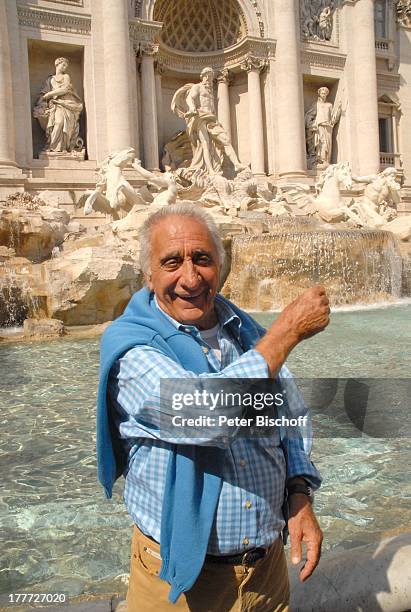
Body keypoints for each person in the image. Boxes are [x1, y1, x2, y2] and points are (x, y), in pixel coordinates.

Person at [97, 203, 330, 611]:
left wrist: (298, 493)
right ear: (148, 276)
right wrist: (286, 332)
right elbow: (203, 416)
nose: (190, 278)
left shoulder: (242, 330)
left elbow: (290, 416)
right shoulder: (130, 348)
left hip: (267, 572)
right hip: (181, 582)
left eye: (202, 259)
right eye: (172, 262)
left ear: (220, 267)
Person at [171, 67, 246, 176]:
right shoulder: (197, 87)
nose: (208, 79)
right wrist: (192, 108)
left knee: (225, 140)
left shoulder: (210, 91)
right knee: (205, 145)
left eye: (210, 77)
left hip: (211, 119)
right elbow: (189, 99)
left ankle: (237, 164)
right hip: (201, 117)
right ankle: (210, 170)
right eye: (207, 76)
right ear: (203, 76)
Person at [33, 57, 83, 153]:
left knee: (61, 123)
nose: (64, 67)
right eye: (63, 65)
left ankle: (62, 147)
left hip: (66, 104)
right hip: (54, 105)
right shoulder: (50, 79)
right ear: (57, 64)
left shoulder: (66, 77)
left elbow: (64, 90)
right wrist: (42, 99)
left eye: (66, 66)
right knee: (58, 123)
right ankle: (53, 147)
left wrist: (49, 95)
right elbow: (43, 92)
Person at [305, 87, 341, 167]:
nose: (323, 95)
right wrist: (311, 124)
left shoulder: (329, 105)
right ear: (319, 94)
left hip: (328, 127)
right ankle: (319, 160)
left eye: (325, 93)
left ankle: (325, 161)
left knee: (327, 144)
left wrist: (338, 109)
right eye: (322, 93)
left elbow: (332, 117)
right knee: (319, 143)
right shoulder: (316, 104)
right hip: (319, 127)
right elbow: (309, 115)